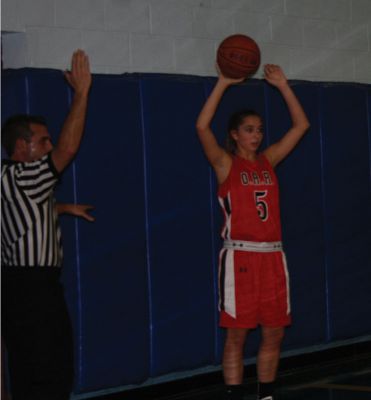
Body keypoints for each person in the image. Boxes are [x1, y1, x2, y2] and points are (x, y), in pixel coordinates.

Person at [196, 64, 310, 400]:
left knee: (274, 333)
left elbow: (301, 125)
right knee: (237, 335)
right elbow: (201, 126)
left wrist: (284, 86)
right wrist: (222, 83)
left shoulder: (268, 160)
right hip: (240, 256)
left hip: (273, 256)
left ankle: (266, 395)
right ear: (234, 134)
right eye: (249, 130)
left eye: (259, 129)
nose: (257, 135)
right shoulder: (225, 164)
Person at [1, 49, 92, 400]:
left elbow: (23, 213)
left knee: (38, 370)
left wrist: (63, 208)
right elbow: (67, 150)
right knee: (46, 374)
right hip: (31, 290)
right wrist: (82, 94)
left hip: (19, 287)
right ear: (23, 147)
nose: (51, 145)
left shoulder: (10, 179)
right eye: (43, 141)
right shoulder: (24, 177)